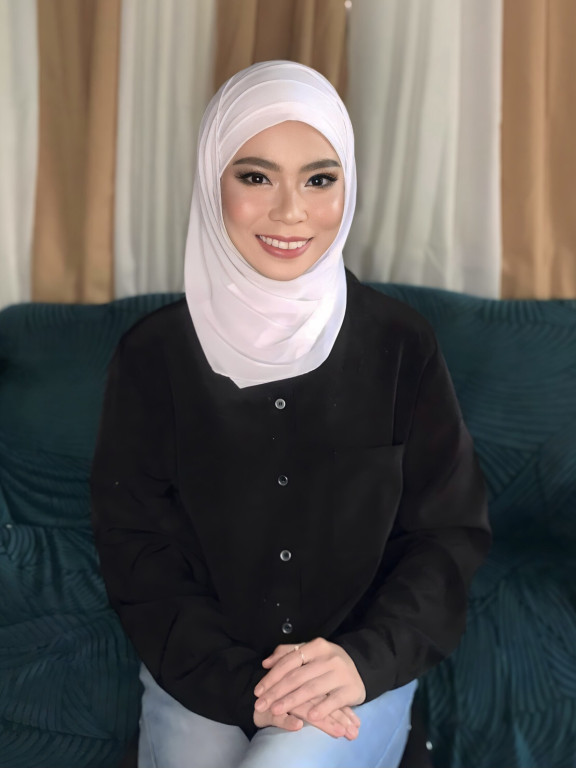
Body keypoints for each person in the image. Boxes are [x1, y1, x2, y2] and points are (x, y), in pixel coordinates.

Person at [90, 61, 491, 768]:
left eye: (318, 179)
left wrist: (362, 660)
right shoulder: (152, 357)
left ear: (348, 186)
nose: (290, 212)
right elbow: (138, 549)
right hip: (195, 674)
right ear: (212, 181)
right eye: (255, 176)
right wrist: (239, 684)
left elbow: (445, 538)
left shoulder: (402, 345)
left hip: (352, 675)